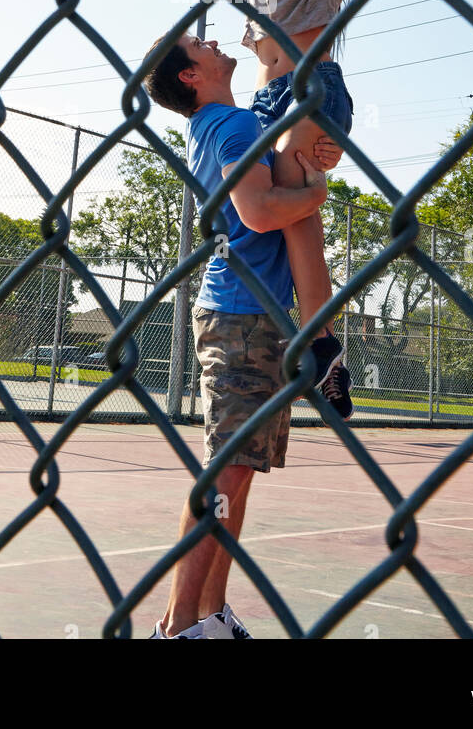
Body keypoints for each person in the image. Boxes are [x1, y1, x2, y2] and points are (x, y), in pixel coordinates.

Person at [142, 31, 340, 639]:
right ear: (189, 77)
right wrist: (313, 191)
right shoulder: (228, 130)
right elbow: (259, 212)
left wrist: (308, 150)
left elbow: (278, 103)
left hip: (258, 317)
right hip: (240, 318)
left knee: (241, 472)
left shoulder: (232, 121)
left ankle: (212, 616)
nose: (209, 39)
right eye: (196, 44)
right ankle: (177, 629)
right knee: (225, 472)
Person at [200, 0, 368, 417]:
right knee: (289, 219)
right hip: (265, 102)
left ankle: (322, 343)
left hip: (312, 88)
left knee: (297, 211)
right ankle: (320, 345)